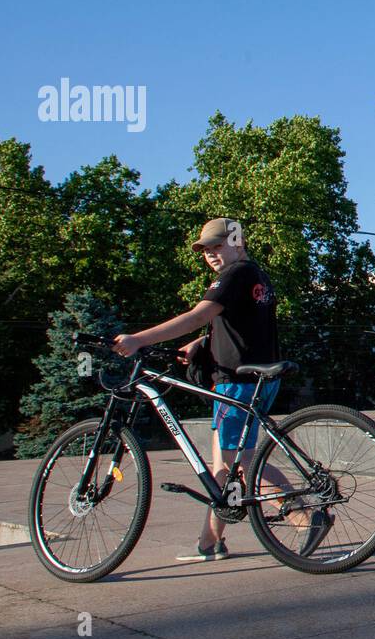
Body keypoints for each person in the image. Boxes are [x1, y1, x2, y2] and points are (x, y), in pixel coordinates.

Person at [113, 217, 326, 561]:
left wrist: (140, 339)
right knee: (222, 470)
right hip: (252, 376)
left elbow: (201, 314)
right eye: (206, 249)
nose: (211, 254)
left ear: (237, 242)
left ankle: (304, 519)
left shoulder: (233, 274)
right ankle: (209, 544)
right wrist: (202, 342)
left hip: (237, 382)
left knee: (241, 463)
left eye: (217, 245)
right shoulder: (254, 274)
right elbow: (240, 324)